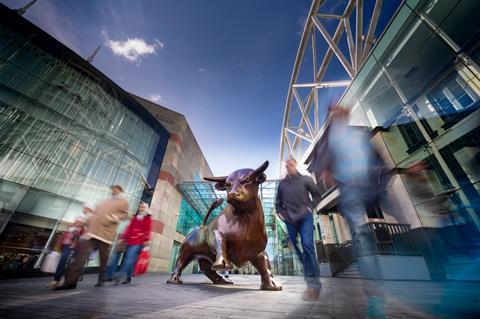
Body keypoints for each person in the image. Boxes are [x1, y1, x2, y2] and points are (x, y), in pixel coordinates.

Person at [54, 185, 129, 290]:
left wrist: (115, 218)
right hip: (92, 233)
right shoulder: (104, 201)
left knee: (103, 259)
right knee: (80, 258)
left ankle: (101, 279)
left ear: (120, 190)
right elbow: (95, 214)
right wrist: (85, 222)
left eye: (115, 189)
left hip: (105, 234)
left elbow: (125, 215)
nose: (113, 190)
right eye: (112, 189)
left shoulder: (123, 201)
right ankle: (70, 283)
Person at [275, 158, 322, 300]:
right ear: (286, 168)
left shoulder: (306, 180)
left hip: (305, 217)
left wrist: (310, 208)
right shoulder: (282, 185)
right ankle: (311, 268)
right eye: (287, 166)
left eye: (291, 165)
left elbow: (317, 195)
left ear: (295, 165)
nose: (289, 167)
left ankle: (313, 285)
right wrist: (283, 215)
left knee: (308, 246)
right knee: (297, 248)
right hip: (290, 220)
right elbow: (278, 204)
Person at [46, 203, 94, 288]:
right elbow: (69, 232)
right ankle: (58, 281)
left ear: (88, 209)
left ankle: (66, 282)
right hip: (67, 245)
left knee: (68, 263)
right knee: (63, 262)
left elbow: (85, 233)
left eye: (85, 208)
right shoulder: (79, 220)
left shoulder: (89, 219)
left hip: (75, 246)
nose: (84, 209)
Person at [111, 201, 151, 284]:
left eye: (143, 207)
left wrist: (146, 240)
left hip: (139, 241)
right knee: (130, 259)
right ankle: (128, 277)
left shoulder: (148, 218)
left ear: (146, 209)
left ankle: (120, 276)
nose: (141, 208)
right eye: (140, 207)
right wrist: (123, 237)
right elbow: (129, 228)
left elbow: (148, 229)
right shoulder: (135, 217)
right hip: (130, 240)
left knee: (129, 258)